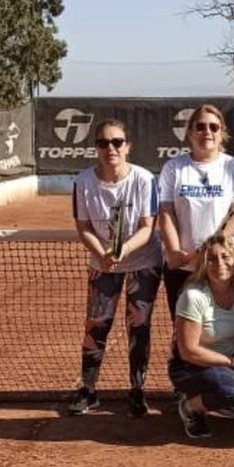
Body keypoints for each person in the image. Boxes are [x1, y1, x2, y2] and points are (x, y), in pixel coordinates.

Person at [69, 118, 163, 417]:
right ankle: (88, 390)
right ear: (96, 147)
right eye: (103, 143)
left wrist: (123, 250)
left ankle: (137, 391)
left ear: (128, 146)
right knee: (96, 326)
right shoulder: (83, 182)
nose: (110, 148)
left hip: (143, 263)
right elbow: (83, 228)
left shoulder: (145, 180)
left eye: (117, 142)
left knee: (139, 327)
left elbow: (148, 228)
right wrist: (103, 253)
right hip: (102, 265)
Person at [158, 104, 234, 320]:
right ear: (190, 132)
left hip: (225, 265)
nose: (207, 132)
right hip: (184, 268)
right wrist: (174, 253)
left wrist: (215, 247)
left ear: (222, 133)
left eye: (213, 127)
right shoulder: (173, 168)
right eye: (200, 126)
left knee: (230, 328)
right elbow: (166, 211)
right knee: (186, 333)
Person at [168, 234, 234, 439]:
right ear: (203, 264)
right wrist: (233, 362)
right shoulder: (193, 296)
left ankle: (229, 402)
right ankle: (191, 407)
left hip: (226, 365)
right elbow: (188, 351)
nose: (219, 263)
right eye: (211, 258)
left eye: (225, 257)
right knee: (232, 389)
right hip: (191, 367)